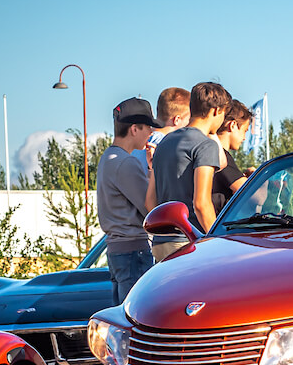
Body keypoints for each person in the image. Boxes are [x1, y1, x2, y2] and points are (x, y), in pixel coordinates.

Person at [97, 97, 161, 303]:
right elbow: (150, 208)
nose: (151, 134)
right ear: (134, 129)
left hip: (117, 250)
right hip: (134, 250)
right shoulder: (126, 162)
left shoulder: (108, 157)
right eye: (148, 128)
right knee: (137, 316)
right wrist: (153, 168)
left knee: (121, 315)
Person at [152, 81, 231, 232]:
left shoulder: (164, 142)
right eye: (224, 114)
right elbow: (201, 204)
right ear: (216, 111)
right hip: (189, 239)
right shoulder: (206, 145)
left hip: (161, 240)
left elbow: (150, 201)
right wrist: (217, 237)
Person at [211, 99, 253, 213]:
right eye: (244, 131)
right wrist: (258, 178)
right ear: (233, 125)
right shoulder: (221, 156)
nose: (244, 138)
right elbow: (253, 195)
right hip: (212, 227)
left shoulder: (210, 150)